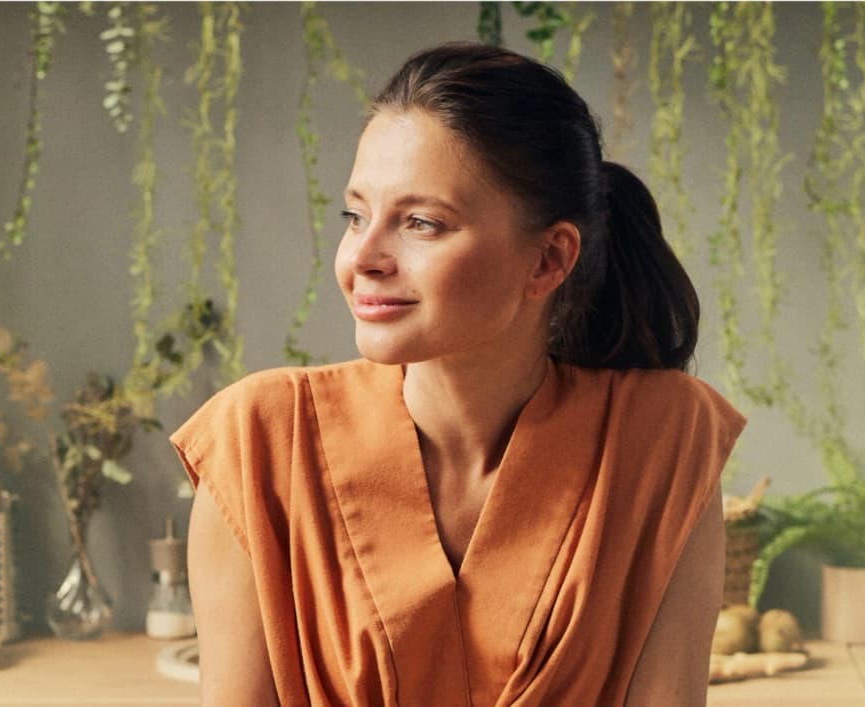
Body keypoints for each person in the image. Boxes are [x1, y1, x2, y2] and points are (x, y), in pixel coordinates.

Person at [171, 42, 745, 706]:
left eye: (421, 222)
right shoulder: (258, 443)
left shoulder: (662, 440)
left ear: (548, 260)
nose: (364, 256)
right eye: (356, 215)